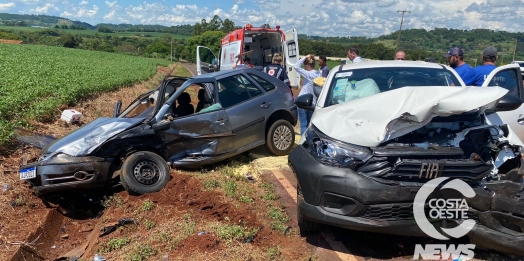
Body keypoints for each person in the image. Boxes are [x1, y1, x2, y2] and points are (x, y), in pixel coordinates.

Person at [294, 54, 321, 135]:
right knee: (309, 124)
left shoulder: (308, 74)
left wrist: (304, 57)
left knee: (303, 125)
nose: (305, 67)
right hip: (312, 102)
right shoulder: (318, 74)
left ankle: (303, 142)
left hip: (303, 101)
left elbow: (296, 66)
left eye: (305, 65)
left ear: (308, 65)